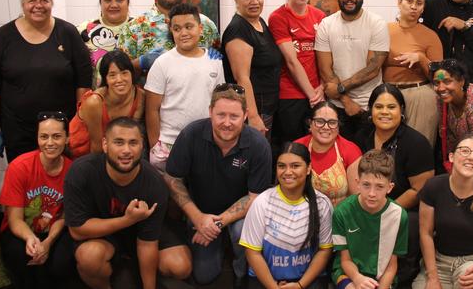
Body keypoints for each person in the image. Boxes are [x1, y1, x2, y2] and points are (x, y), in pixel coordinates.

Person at [163, 83, 272, 286]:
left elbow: (256, 197)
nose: (227, 123)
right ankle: (218, 247)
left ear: (246, 115)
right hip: (200, 212)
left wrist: (217, 224)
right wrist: (198, 218)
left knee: (241, 231)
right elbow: (171, 179)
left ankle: (243, 273)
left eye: (234, 116)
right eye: (221, 115)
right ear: (211, 112)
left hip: (239, 217)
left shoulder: (258, 144)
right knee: (205, 276)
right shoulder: (191, 135)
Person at [64, 117, 191, 288]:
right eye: (118, 142)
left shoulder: (154, 183)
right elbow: (77, 231)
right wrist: (127, 220)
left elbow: (147, 243)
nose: (126, 150)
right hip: (102, 235)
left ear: (142, 146)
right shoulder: (81, 171)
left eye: (133, 143)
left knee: (181, 267)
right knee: (89, 258)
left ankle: (132, 273)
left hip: (140, 234)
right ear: (105, 144)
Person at [0, 0, 92, 162]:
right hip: (18, 131)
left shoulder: (67, 32)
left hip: (61, 130)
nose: (38, 6)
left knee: (61, 181)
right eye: (31, 0)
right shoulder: (3, 37)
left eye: (44, 0)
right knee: (26, 180)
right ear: (23, 5)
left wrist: (78, 123)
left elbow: (83, 81)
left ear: (51, 4)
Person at [354, 83, 434, 286]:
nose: (385, 112)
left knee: (411, 223)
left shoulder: (416, 143)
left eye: (391, 107)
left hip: (403, 207)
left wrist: (387, 211)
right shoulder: (361, 137)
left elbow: (419, 189)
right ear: (370, 111)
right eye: (379, 107)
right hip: (367, 202)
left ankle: (402, 278)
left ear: (402, 111)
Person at [413, 134, 473, 289]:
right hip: (441, 262)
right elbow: (426, 233)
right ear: (451, 157)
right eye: (465, 151)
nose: (471, 157)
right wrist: (433, 276)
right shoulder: (433, 187)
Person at [240, 142, 333, 289]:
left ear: (308, 168)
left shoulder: (322, 204)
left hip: (307, 280)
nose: (287, 172)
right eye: (281, 166)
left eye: (295, 166)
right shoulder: (262, 202)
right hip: (267, 281)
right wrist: (273, 287)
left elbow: (324, 250)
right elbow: (252, 252)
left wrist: (300, 285)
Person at [0, 111, 74, 288]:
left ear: (67, 139)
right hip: (22, 231)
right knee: (20, 256)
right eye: (44, 137)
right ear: (37, 139)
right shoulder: (19, 167)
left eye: (56, 136)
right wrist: (31, 239)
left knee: (61, 264)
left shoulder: (73, 171)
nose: (49, 143)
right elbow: (14, 219)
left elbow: (64, 217)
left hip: (53, 230)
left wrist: (47, 242)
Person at [145, 3, 224, 171]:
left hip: (206, 140)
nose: (184, 33)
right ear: (171, 31)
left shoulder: (215, 60)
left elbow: (219, 102)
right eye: (177, 28)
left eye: (189, 27)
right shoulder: (162, 63)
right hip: (169, 143)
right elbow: (151, 109)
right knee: (171, 194)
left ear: (200, 28)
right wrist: (155, 145)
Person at [315, 0, 390, 141]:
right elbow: (325, 70)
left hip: (371, 105)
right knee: (340, 158)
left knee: (369, 158)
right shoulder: (326, 25)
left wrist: (340, 88)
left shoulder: (376, 23)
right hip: (337, 106)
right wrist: (346, 100)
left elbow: (373, 69)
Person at [117, 0, 219, 77]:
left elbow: (217, 64)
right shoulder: (133, 28)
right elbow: (119, 73)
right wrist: (139, 64)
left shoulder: (206, 25)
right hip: (150, 94)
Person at [332, 150, 408, 289]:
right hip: (348, 274)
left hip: (382, 276)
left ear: (389, 187)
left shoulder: (398, 215)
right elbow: (345, 260)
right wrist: (358, 278)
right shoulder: (342, 212)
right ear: (358, 183)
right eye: (366, 185)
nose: (372, 193)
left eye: (379, 186)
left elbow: (391, 266)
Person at [269, 0, 325, 144]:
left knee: (317, 144)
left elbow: (325, 57)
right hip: (291, 95)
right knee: (292, 147)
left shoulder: (320, 16)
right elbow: (291, 61)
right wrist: (312, 96)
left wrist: (322, 87)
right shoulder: (278, 17)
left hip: (318, 92)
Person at [221, 0, 283, 139]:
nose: (254, 2)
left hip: (268, 105)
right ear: (237, 1)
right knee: (255, 156)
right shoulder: (238, 29)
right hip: (255, 109)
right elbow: (242, 78)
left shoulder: (258, 21)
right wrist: (254, 117)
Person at [384, 0, 443, 146]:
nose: (413, 7)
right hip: (388, 94)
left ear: (423, 8)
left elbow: (441, 77)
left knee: (419, 147)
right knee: (386, 146)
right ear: (399, 2)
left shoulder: (430, 36)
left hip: (420, 95)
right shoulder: (384, 30)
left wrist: (421, 58)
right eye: (409, 1)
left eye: (419, 3)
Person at [68, 50, 145, 159]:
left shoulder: (140, 96)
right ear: (106, 79)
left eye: (124, 73)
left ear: (132, 74)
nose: (119, 80)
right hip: (81, 154)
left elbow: (131, 134)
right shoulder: (94, 102)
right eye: (112, 75)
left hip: (114, 153)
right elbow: (96, 148)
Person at [295, 101, 362, 206]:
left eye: (332, 122)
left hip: (338, 218)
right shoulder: (297, 147)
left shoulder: (351, 151)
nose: (326, 127)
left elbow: (356, 198)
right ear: (310, 124)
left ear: (338, 126)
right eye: (320, 121)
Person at [77, 0, 133, 88]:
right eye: (107, 0)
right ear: (100, 3)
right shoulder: (84, 30)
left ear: (128, 2)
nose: (113, 5)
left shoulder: (140, 28)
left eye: (119, 0)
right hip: (95, 99)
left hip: (132, 99)